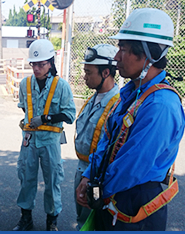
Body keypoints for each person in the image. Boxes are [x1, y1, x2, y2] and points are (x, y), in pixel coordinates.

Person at [76, 8, 185, 231]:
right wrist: (89, 175)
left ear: (147, 55)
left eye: (122, 49)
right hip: (114, 192)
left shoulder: (160, 105)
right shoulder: (130, 94)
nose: (116, 58)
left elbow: (134, 164)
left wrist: (99, 190)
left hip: (136, 203)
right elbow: (107, 140)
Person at [13, 39, 76, 231]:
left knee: (53, 181)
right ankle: (26, 219)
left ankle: (52, 221)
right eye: (34, 64)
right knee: (26, 178)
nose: (37, 68)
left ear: (50, 63)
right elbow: (24, 107)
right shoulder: (25, 84)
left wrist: (46, 118)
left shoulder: (62, 86)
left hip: (50, 141)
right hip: (29, 140)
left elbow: (70, 115)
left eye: (41, 64)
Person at [74, 44, 119, 230]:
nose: (84, 77)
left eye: (88, 72)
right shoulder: (93, 98)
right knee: (81, 217)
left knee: (93, 220)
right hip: (82, 169)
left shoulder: (118, 104)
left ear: (106, 72)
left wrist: (90, 176)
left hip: (97, 175)